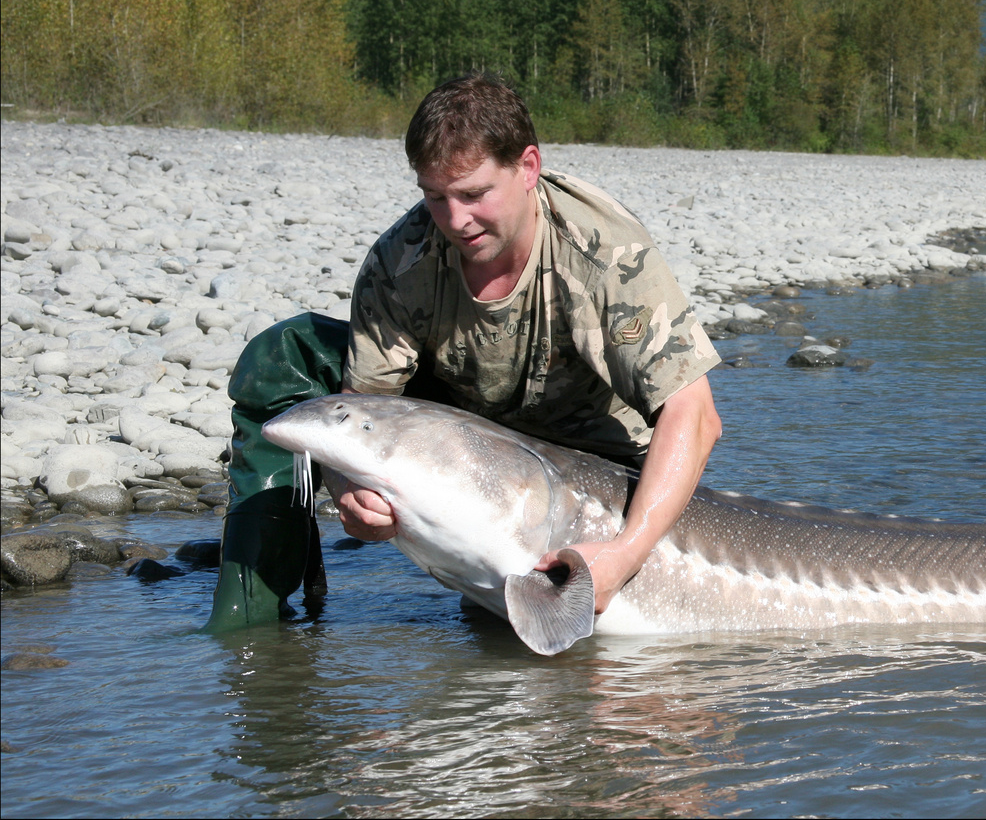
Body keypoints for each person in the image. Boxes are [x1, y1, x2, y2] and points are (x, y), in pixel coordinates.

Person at [207, 75, 722, 630]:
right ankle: (250, 628)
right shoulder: (402, 259)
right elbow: (363, 406)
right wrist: (348, 491)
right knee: (288, 355)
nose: (455, 221)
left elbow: (695, 416)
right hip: (477, 442)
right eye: (436, 197)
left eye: (475, 195)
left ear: (528, 167)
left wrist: (625, 555)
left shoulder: (602, 252)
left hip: (597, 463)